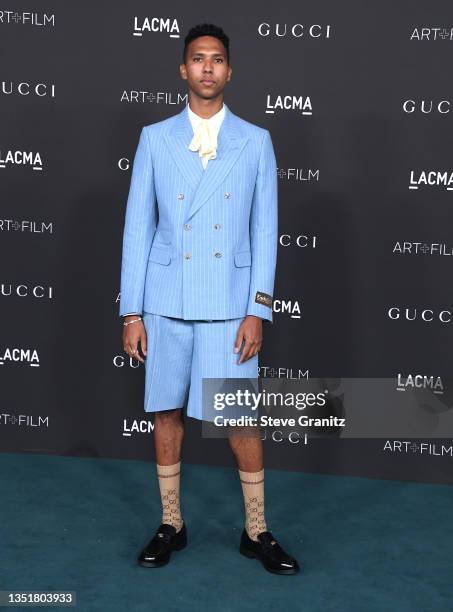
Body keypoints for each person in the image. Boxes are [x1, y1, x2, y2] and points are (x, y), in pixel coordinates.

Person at [119, 22, 300, 575]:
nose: (207, 67)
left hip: (229, 306)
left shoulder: (256, 140)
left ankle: (256, 531)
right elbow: (137, 229)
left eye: (216, 59)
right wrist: (131, 310)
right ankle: (172, 522)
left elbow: (264, 230)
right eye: (197, 58)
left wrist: (258, 308)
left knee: (240, 419)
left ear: (229, 70)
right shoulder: (154, 138)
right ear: (183, 69)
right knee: (167, 411)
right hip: (166, 299)